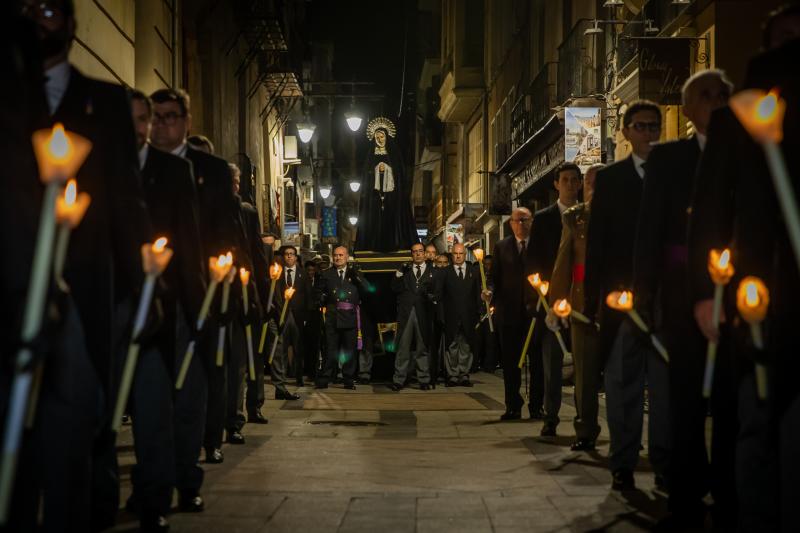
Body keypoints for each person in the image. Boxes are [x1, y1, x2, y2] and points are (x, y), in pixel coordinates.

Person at [18, 2, 154, 529]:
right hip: (12, 285)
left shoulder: (104, 102)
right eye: (26, 9)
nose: (36, 20)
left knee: (73, 421)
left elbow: (127, 201)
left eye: (49, 9)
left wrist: (146, 285)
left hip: (80, 285)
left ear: (71, 24)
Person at [688, 6, 800, 529]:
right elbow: (711, 207)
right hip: (761, 290)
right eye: (783, 37)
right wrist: (706, 294)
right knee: (758, 409)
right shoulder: (741, 112)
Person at [634, 70, 732, 529]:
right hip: (680, 292)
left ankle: (731, 483)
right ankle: (688, 484)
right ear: (688, 109)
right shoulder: (669, 159)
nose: (715, 102)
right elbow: (649, 230)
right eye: (704, 96)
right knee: (686, 394)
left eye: (722, 94)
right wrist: (645, 293)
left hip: (738, 292)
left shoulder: (749, 149)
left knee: (733, 393)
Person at [149, 87, 240, 505]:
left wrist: (221, 285)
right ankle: (152, 484)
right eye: (156, 116)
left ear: (186, 121)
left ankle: (186, 479)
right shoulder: (137, 166)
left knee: (190, 392)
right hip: (149, 294)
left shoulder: (213, 171)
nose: (162, 124)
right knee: (151, 395)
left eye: (171, 116)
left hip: (196, 295)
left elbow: (225, 234)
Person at [127, 89, 207, 531]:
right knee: (143, 403)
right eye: (145, 118)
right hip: (122, 300)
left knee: (175, 398)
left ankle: (175, 482)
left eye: (161, 118)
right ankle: (144, 488)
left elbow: (192, 243)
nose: (154, 127)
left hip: (172, 302)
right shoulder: (109, 166)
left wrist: (199, 310)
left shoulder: (180, 172)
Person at [584, 100, 669, 492]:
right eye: (640, 126)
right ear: (626, 132)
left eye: (654, 126)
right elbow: (597, 245)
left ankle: (667, 462)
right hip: (621, 303)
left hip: (668, 303)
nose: (648, 133)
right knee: (623, 386)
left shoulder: (677, 173)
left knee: (667, 389)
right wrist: (591, 303)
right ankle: (623, 462)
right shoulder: (613, 180)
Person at [547, 163, 604, 452]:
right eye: (593, 182)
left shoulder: (624, 216)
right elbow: (563, 263)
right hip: (582, 302)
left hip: (617, 302)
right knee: (585, 372)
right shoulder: (576, 218)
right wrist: (557, 303)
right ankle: (586, 429)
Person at [530, 162, 582, 437]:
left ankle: (585, 418)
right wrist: (541, 294)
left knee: (584, 362)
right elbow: (534, 260)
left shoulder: (588, 214)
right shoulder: (544, 218)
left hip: (582, 299)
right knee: (552, 361)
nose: (571, 185)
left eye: (575, 180)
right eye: (566, 180)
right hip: (552, 300)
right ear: (556, 184)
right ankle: (551, 416)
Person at [489, 208, 540, 421]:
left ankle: (537, 406)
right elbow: (494, 278)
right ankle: (513, 405)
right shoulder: (502, 247)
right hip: (509, 315)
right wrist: (489, 291)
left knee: (537, 363)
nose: (521, 224)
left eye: (525, 220)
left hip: (535, 314)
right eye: (516, 220)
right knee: (511, 364)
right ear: (510, 224)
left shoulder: (539, 245)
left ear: (532, 221)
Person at [354, 117, 416, 252]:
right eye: (376, 137)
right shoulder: (370, 156)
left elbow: (399, 176)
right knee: (374, 221)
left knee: (393, 219)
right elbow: (366, 179)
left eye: (381, 136)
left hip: (392, 196)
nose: (379, 139)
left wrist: (387, 169)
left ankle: (395, 243)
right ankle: (372, 245)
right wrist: (376, 170)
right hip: (374, 197)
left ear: (386, 137)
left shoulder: (394, 155)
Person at [314, 246, 366, 389]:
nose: (338, 258)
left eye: (341, 255)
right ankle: (326, 378)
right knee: (330, 350)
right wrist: (321, 298)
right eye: (335, 255)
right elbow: (317, 292)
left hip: (350, 317)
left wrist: (357, 277)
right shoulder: (326, 274)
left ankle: (348, 379)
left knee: (350, 350)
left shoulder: (355, 273)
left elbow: (367, 290)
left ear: (347, 257)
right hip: (333, 317)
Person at [390, 243, 436, 391]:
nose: (418, 254)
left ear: (425, 253)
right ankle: (399, 379)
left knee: (422, 348)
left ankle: (424, 380)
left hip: (424, 313)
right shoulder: (406, 271)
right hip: (406, 313)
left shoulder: (432, 271)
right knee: (403, 347)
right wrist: (399, 272)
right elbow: (394, 288)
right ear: (411, 254)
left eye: (420, 251)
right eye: (415, 252)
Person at [436, 243, 481, 387]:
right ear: (452, 254)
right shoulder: (445, 272)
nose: (458, 256)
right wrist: (441, 316)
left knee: (466, 346)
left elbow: (477, 295)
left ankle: (464, 374)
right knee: (452, 346)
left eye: (461, 253)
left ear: (464, 254)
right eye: (455, 253)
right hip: (451, 316)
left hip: (469, 316)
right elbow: (440, 296)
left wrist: (479, 313)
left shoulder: (474, 272)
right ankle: (452, 375)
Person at [272, 245, 311, 397]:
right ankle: (281, 378)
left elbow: (308, 296)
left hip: (298, 316)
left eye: (292, 254)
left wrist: (307, 317)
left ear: (296, 257)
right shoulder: (278, 273)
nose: (289, 256)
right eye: (286, 254)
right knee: (281, 349)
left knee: (298, 348)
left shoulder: (303, 274)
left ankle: (299, 376)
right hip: (282, 315)